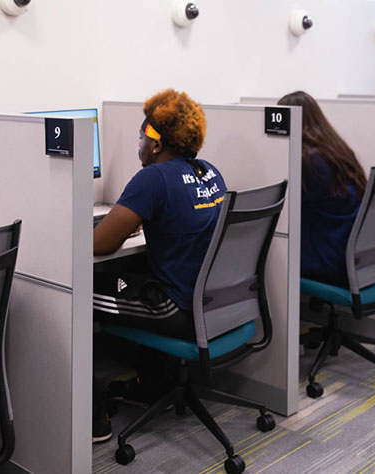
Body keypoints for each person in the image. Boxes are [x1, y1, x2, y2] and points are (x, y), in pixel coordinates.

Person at [92, 89, 226, 442]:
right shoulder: (209, 173)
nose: (139, 143)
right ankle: (152, 385)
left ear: (154, 143)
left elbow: (99, 244)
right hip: (212, 301)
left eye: (141, 136)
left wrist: (108, 227)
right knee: (132, 277)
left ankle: (90, 416)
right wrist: (137, 219)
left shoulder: (153, 178)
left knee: (75, 294)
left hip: (175, 306)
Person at [277, 91, 367, 286]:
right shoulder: (336, 150)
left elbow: (285, 208)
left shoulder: (308, 162)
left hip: (327, 260)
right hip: (349, 255)